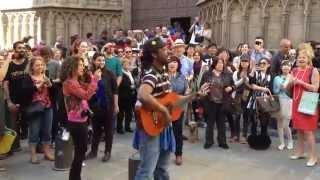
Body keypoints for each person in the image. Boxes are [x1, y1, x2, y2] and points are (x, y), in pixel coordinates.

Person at [133, 37, 208, 180]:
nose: (168, 52)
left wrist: (195, 95)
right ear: (155, 54)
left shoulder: (164, 73)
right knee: (146, 171)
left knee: (162, 169)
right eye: (164, 49)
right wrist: (163, 111)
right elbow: (143, 95)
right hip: (152, 128)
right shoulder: (151, 75)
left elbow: (172, 100)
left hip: (163, 127)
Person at [61, 56, 100, 180]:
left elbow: (92, 89)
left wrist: (92, 78)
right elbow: (87, 95)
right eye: (80, 65)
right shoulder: (70, 82)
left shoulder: (76, 81)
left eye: (83, 65)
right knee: (80, 151)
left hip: (80, 120)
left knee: (81, 150)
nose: (83, 67)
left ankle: (76, 177)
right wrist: (95, 80)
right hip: (76, 122)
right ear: (72, 67)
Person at [285, 44, 319, 167]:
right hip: (296, 102)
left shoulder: (313, 71)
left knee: (308, 131)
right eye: (299, 57)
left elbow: (315, 88)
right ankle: (300, 152)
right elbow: (288, 88)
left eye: (304, 57)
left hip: (308, 103)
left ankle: (313, 157)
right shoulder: (294, 70)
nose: (301, 59)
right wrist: (290, 83)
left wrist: (300, 82)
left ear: (309, 58)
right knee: (299, 129)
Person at [86, 52, 119, 162]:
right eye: (99, 60)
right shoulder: (90, 74)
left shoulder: (109, 73)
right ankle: (93, 151)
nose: (101, 62)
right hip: (95, 106)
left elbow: (115, 90)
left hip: (108, 105)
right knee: (96, 130)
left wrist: (116, 105)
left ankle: (107, 152)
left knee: (109, 130)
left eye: (103, 60)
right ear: (94, 61)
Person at [25, 56, 54, 164]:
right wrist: (41, 84)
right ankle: (33, 155)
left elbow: (52, 91)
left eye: (41, 65)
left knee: (47, 130)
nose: (40, 67)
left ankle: (47, 152)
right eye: (37, 65)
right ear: (32, 67)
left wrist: (50, 84)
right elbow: (26, 91)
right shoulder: (28, 77)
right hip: (35, 107)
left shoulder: (46, 75)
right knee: (34, 131)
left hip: (47, 106)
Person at [201, 58, 234, 149]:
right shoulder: (207, 74)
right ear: (214, 64)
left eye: (222, 63)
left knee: (221, 123)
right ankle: (209, 141)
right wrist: (204, 89)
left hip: (222, 102)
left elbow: (233, 85)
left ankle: (222, 142)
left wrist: (231, 88)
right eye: (219, 63)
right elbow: (202, 86)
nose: (220, 65)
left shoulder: (227, 75)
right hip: (210, 101)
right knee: (210, 123)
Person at [3, 41, 29, 152]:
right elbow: (5, 83)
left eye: (23, 48)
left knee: (32, 122)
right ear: (15, 50)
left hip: (28, 99)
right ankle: (14, 146)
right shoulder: (10, 64)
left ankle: (35, 146)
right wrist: (8, 100)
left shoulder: (28, 63)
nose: (22, 50)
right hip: (14, 99)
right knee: (13, 124)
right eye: (19, 48)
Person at [167, 56, 188, 166]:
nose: (172, 64)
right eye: (170, 62)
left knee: (177, 132)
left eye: (174, 62)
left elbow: (186, 92)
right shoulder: (163, 76)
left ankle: (178, 154)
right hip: (163, 109)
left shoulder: (182, 77)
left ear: (178, 64)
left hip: (178, 108)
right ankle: (161, 153)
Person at [246, 57, 272, 137]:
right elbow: (252, 85)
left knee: (264, 122)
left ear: (268, 65)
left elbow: (270, 89)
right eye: (261, 63)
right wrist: (264, 88)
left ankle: (263, 139)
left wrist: (259, 88)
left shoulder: (270, 76)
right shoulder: (256, 74)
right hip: (255, 99)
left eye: (264, 63)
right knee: (254, 121)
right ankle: (253, 139)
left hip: (265, 101)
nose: (262, 65)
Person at [273, 60, 293, 151]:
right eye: (284, 65)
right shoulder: (277, 78)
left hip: (289, 101)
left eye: (288, 65)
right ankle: (282, 143)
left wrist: (287, 84)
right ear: (281, 67)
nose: (286, 67)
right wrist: (280, 88)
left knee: (286, 124)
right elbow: (275, 91)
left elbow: (293, 91)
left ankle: (290, 141)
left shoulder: (292, 77)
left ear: (290, 67)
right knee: (279, 123)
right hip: (279, 100)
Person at [232, 54, 251, 143]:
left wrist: (246, 78)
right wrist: (242, 80)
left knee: (246, 116)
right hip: (238, 95)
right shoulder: (236, 72)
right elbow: (234, 84)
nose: (244, 63)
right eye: (243, 61)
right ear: (240, 62)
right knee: (237, 115)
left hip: (248, 96)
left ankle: (244, 135)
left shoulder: (251, 73)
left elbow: (252, 83)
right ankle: (236, 135)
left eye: (246, 61)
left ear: (249, 62)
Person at [117, 58, 136, 134]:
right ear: (123, 64)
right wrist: (130, 86)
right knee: (121, 113)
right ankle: (119, 128)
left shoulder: (129, 72)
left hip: (130, 95)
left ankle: (127, 127)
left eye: (129, 63)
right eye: (127, 64)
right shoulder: (121, 73)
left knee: (129, 112)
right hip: (122, 96)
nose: (128, 65)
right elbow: (122, 84)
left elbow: (132, 82)